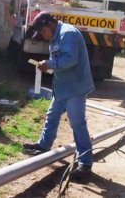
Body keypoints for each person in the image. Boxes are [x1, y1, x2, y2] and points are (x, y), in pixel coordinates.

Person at [23, 11, 95, 180]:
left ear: (50, 24)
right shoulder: (55, 36)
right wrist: (48, 66)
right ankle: (44, 145)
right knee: (52, 115)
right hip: (63, 87)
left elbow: (70, 60)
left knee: (77, 123)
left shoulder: (67, 34)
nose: (42, 35)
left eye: (42, 31)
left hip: (75, 87)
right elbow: (58, 62)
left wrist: (48, 64)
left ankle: (85, 164)